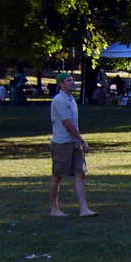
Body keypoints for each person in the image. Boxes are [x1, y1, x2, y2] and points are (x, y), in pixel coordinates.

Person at [49, 73, 97, 217]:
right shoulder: (59, 100)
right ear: (61, 84)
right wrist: (81, 140)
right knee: (57, 176)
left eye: (72, 80)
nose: (72, 82)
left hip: (74, 142)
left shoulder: (71, 99)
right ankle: (54, 209)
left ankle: (84, 209)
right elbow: (68, 124)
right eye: (68, 80)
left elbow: (74, 124)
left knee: (80, 174)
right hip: (62, 143)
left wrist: (78, 140)